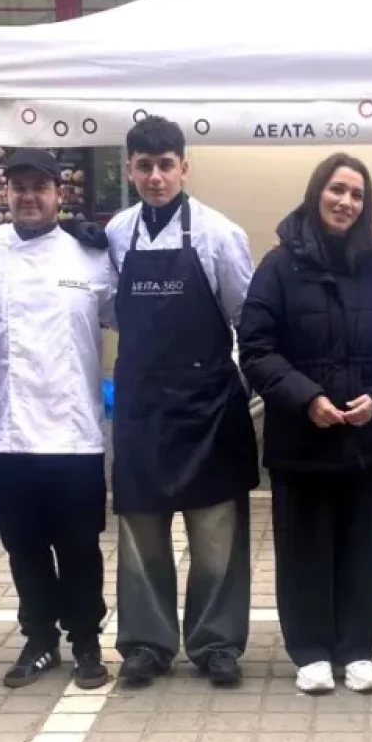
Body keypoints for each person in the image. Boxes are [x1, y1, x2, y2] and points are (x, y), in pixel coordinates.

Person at [239, 153, 372, 694]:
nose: (346, 202)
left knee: (362, 545)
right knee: (303, 545)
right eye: (337, 190)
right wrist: (306, 397)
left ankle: (357, 649)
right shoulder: (279, 266)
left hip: (363, 438)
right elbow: (257, 348)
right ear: (317, 193)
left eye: (357, 195)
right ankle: (310, 650)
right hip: (300, 437)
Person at [105, 117, 258, 688]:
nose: (155, 176)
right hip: (143, 409)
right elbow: (109, 311)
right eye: (144, 166)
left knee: (215, 533)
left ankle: (216, 642)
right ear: (129, 171)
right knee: (141, 533)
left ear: (184, 168)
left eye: (166, 164)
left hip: (207, 408)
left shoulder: (219, 234)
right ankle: (147, 643)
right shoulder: (118, 235)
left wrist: (235, 385)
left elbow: (246, 317)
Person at [0, 149, 117, 690]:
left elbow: (126, 318)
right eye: (18, 186)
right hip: (7, 430)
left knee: (79, 544)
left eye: (40, 187)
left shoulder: (91, 257)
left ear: (59, 194)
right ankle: (39, 638)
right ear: (6, 194)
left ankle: (87, 640)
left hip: (73, 431)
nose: (28, 196)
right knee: (23, 545)